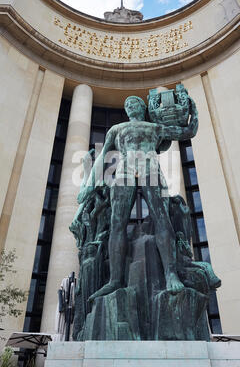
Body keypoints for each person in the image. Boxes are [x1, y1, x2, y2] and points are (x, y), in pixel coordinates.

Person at [77, 95, 198, 302]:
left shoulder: (154, 127)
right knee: (117, 223)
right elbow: (103, 156)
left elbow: (187, 132)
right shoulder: (116, 129)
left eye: (134, 103)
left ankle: (171, 274)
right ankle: (115, 280)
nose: (130, 105)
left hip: (150, 168)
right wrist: (88, 185)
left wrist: (193, 111)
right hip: (124, 171)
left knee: (163, 220)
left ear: (143, 108)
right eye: (128, 104)